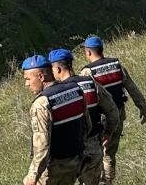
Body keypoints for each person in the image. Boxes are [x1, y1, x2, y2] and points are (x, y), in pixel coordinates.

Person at [79, 36, 146, 184]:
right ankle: (108, 181)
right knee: (109, 154)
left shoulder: (87, 72)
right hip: (118, 116)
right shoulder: (117, 65)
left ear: (88, 52)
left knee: (95, 155)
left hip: (98, 121)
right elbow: (131, 87)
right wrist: (142, 106)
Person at [48, 48, 123, 185]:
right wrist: (108, 132)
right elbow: (113, 111)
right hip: (93, 148)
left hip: (67, 155)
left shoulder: (55, 94)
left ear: (57, 69)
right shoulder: (90, 83)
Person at [22, 54, 89, 185]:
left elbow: (42, 145)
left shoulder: (42, 103)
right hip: (75, 160)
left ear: (41, 76)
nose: (26, 84)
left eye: (28, 79)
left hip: (53, 168)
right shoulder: (75, 89)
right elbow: (87, 125)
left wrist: (32, 176)